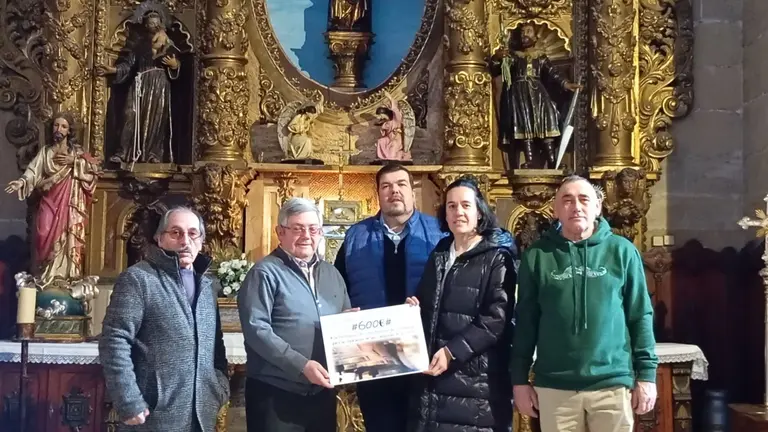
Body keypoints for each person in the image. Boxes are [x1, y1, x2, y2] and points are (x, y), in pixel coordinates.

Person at [510, 175, 658, 431]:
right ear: (556, 210)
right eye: (567, 200)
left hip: (612, 384)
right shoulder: (538, 256)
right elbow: (526, 321)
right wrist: (520, 380)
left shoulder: (622, 251)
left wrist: (647, 375)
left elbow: (640, 315)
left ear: (597, 207)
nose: (576, 206)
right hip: (555, 386)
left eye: (583, 199)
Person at [334, 163, 445, 432]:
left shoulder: (440, 233)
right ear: (378, 194)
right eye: (386, 186)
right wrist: (342, 314)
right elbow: (337, 288)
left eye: (401, 184)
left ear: (412, 192)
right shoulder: (355, 236)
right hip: (372, 359)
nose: (394, 191)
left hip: (424, 356)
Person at [99, 207, 230, 432]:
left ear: (201, 242)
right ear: (160, 239)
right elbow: (114, 340)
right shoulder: (138, 279)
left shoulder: (208, 286)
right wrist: (128, 400)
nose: (185, 241)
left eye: (192, 233)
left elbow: (216, 347)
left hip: (202, 415)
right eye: (175, 233)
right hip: (154, 414)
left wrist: (218, 388)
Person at [405, 177, 517, 432]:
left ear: (480, 211)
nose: (458, 212)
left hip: (475, 382)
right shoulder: (441, 253)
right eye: (451, 206)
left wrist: (451, 352)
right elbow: (429, 305)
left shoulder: (498, 257)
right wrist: (414, 309)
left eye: (466, 205)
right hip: (433, 380)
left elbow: (495, 319)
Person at [238, 198, 353, 432]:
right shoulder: (264, 272)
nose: (306, 235)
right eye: (297, 228)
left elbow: (344, 318)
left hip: (322, 392)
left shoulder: (332, 274)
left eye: (313, 229)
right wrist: (301, 366)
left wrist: (351, 325)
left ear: (321, 233)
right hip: (277, 393)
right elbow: (256, 331)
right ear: (280, 232)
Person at [4, 112, 100, 285]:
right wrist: (21, 182)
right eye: (56, 125)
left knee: (66, 234)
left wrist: (75, 162)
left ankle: (63, 275)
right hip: (48, 199)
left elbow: (94, 171)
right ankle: (45, 273)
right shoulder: (46, 152)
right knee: (43, 231)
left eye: (63, 126)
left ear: (69, 130)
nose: (59, 129)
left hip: (68, 203)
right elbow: (33, 172)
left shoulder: (76, 153)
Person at [490, 22, 580, 169]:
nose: (525, 35)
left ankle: (552, 161)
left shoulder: (541, 57)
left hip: (539, 95)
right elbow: (496, 70)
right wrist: (497, 57)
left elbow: (553, 73)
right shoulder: (513, 57)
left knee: (547, 122)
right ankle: (530, 160)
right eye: (522, 32)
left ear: (536, 36)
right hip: (519, 95)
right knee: (525, 125)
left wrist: (566, 84)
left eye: (529, 31)